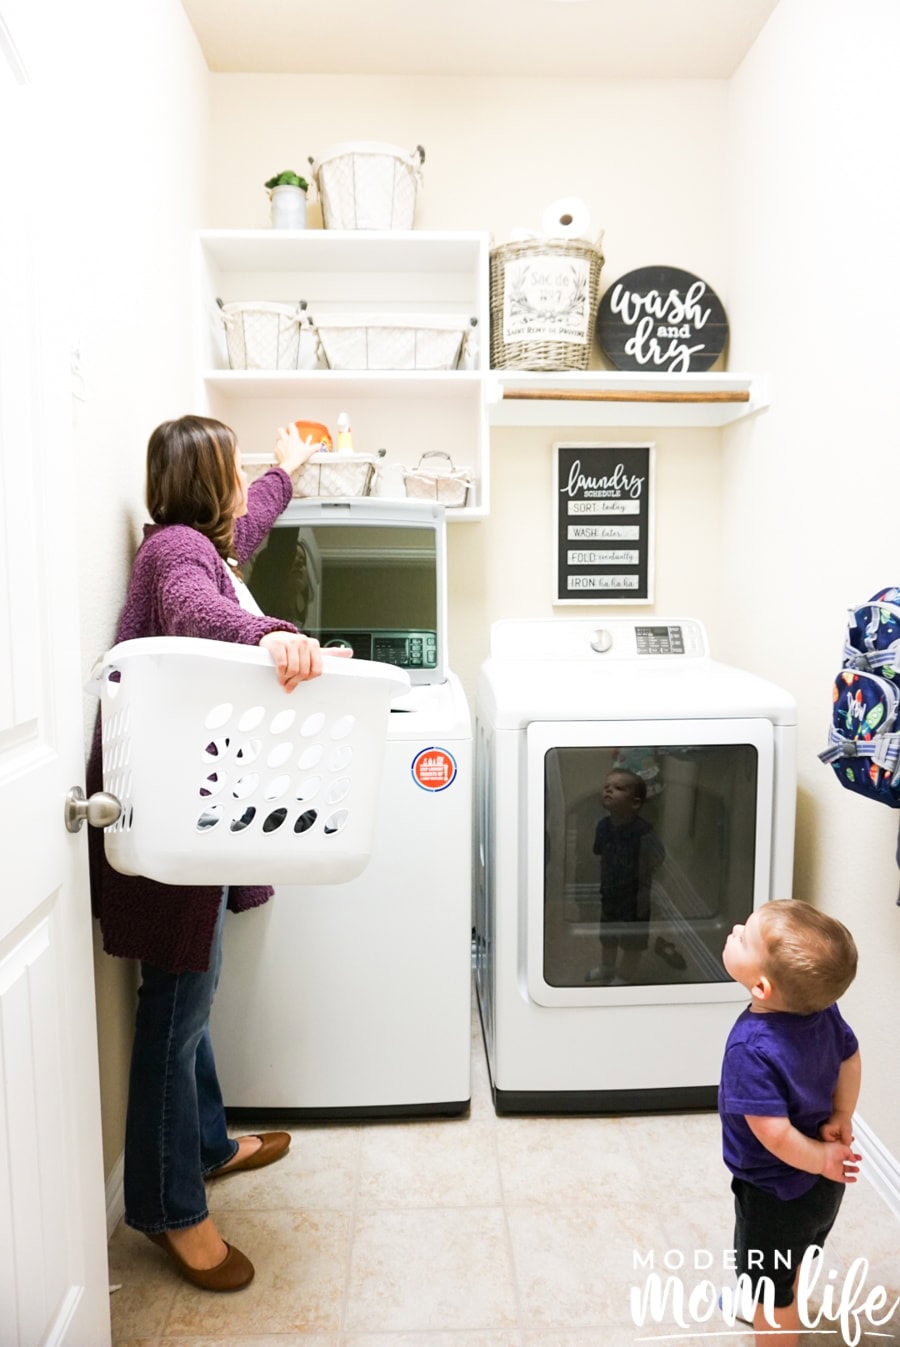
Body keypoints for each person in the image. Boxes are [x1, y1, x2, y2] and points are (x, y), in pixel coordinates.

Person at [88, 414, 348, 1292]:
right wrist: (272, 633)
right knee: (176, 1005)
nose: (249, 486)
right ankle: (168, 1209)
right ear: (210, 483)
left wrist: (289, 469)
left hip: (189, 810)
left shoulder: (194, 543)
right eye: (240, 472)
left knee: (192, 989)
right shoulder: (174, 558)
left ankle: (204, 1143)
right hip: (169, 814)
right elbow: (198, 614)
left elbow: (244, 538)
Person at [719, 899, 862, 1347]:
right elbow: (850, 1059)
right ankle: (773, 1301)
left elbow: (773, 1132)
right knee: (790, 1262)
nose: (737, 928)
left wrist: (820, 1157)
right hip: (819, 1187)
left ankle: (775, 1322)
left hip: (775, 1191)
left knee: (771, 1284)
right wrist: (841, 1117)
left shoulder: (751, 1049)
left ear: (761, 988)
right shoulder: (823, 1012)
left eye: (745, 937)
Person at [585, 768, 665, 984]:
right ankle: (607, 967)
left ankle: (624, 976)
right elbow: (598, 852)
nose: (609, 790)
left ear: (635, 803)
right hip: (610, 892)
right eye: (607, 787)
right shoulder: (603, 826)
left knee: (633, 940)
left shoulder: (643, 832)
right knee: (608, 935)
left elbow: (657, 858)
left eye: (618, 788)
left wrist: (640, 879)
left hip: (636, 896)